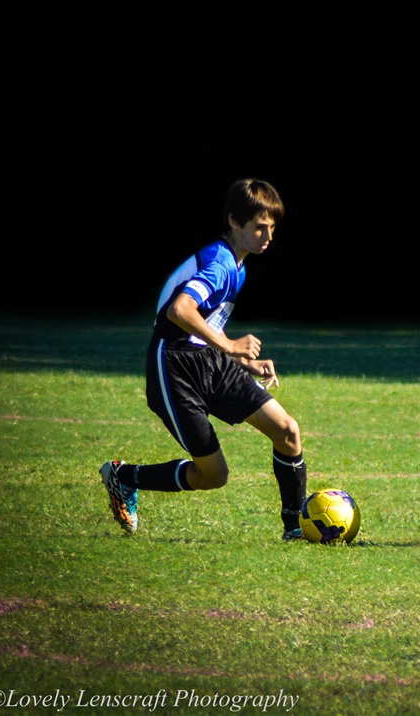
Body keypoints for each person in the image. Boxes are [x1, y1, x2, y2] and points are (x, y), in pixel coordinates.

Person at [100, 178, 308, 540]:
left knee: (287, 431)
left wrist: (244, 363)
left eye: (272, 228)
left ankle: (295, 528)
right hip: (173, 364)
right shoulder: (221, 263)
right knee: (213, 475)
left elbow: (203, 325)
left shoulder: (238, 265)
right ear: (234, 221)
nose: (267, 236)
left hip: (208, 359)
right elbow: (180, 311)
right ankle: (124, 477)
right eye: (259, 227)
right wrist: (230, 345)